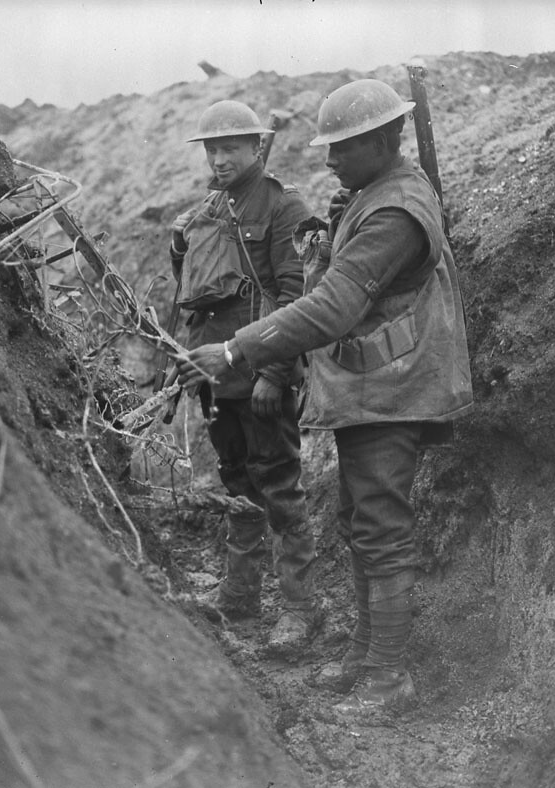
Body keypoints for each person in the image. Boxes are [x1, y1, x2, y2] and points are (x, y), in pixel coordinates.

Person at [176, 79, 473, 714]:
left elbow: (335, 304)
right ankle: (367, 656)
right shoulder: (375, 194)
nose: (329, 159)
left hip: (393, 389)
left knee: (382, 532)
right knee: (361, 524)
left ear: (381, 141)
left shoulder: (393, 212)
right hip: (374, 387)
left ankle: (389, 679)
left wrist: (237, 350)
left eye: (341, 147)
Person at [169, 99, 323, 654]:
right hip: (217, 378)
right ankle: (240, 597)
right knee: (237, 484)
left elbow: (296, 295)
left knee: (279, 488)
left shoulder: (285, 207)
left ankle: (300, 609)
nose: (218, 158)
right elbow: (197, 296)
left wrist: (276, 374)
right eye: (212, 148)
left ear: (257, 147)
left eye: (230, 147)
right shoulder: (211, 209)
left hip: (259, 377)